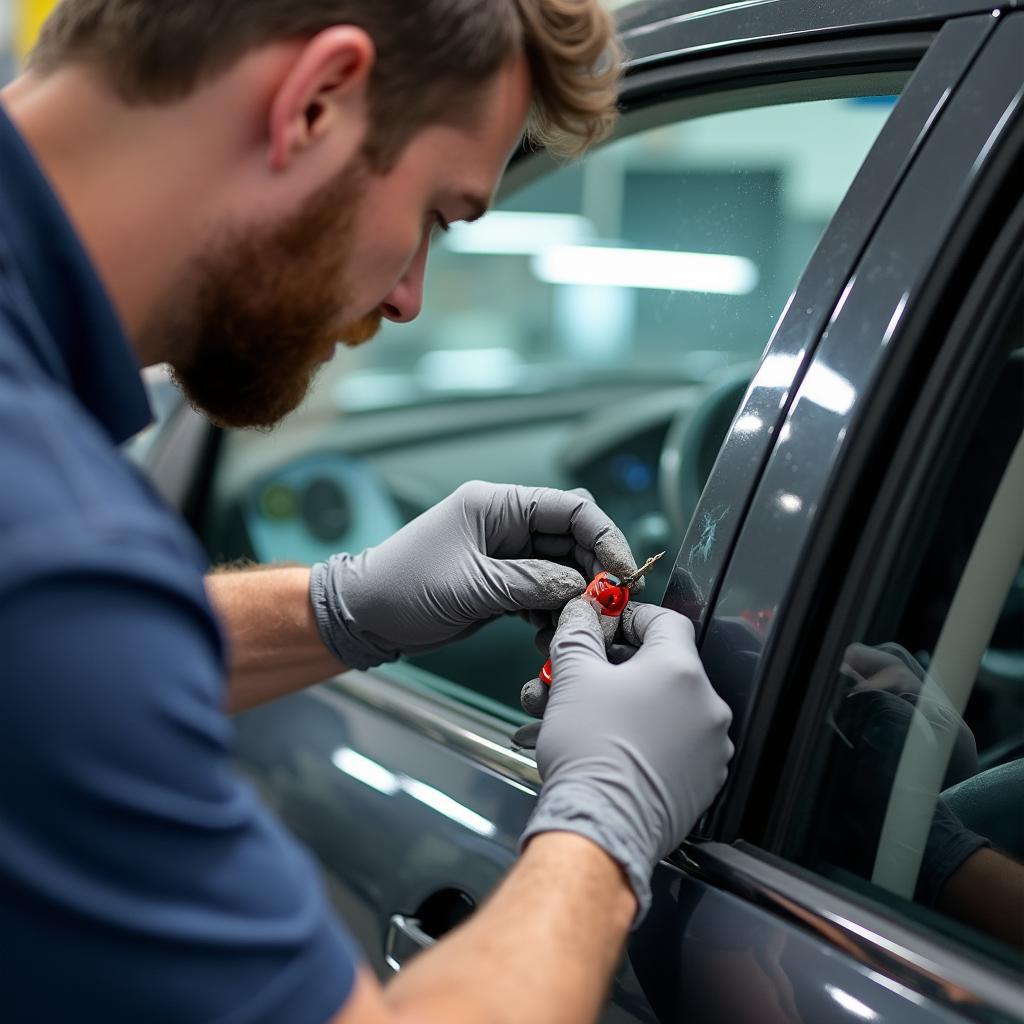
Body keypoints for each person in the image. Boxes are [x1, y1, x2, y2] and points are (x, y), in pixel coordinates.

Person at [0, 3, 735, 1023]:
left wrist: (344, 607)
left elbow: (53, 671)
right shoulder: (50, 535)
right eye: (437, 211)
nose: (409, 302)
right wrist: (607, 823)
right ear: (316, 103)